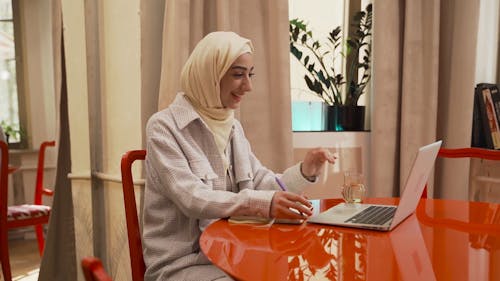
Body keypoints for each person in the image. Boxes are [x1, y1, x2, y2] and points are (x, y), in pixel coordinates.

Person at [143, 31, 335, 281]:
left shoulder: (231, 125)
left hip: (231, 255)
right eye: (237, 74)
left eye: (250, 74)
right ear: (209, 74)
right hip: (182, 264)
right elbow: (192, 197)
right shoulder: (163, 127)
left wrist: (305, 171)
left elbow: (263, 182)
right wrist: (262, 204)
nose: (248, 86)